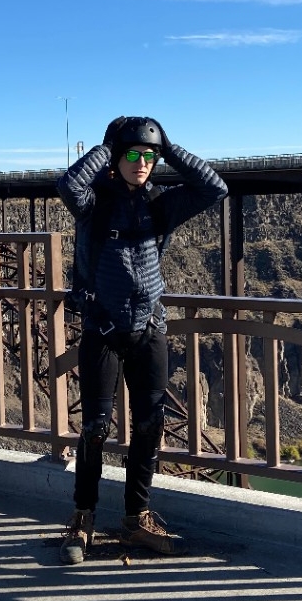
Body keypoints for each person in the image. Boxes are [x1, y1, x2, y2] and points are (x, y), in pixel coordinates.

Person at [56, 116, 228, 565]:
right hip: (103, 330)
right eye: (133, 155)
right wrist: (108, 146)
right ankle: (83, 517)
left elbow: (215, 188)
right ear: (115, 158)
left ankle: (137, 519)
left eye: (149, 157)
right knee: (95, 427)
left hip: (149, 328)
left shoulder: (159, 204)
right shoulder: (93, 204)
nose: (142, 163)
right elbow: (68, 185)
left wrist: (168, 148)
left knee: (150, 425)